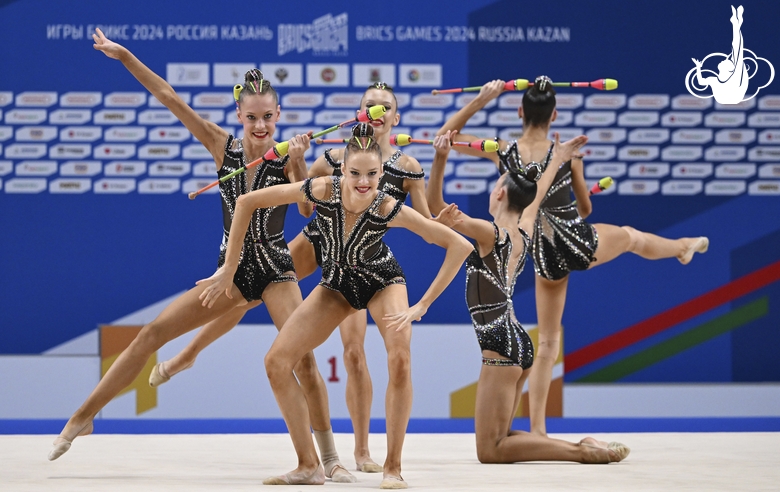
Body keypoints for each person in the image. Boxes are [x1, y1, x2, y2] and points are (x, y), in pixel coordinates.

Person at [49, 29, 356, 484]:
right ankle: (83, 416)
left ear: (277, 115)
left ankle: (326, 459)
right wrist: (125, 56)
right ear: (238, 114)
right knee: (151, 332)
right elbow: (168, 96)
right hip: (228, 274)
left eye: (267, 117)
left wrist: (296, 162)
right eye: (251, 117)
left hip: (273, 269)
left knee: (304, 360)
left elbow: (306, 209)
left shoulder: (286, 155)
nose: (259, 126)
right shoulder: (222, 147)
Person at [154, 82, 430, 474]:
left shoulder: (407, 167)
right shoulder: (336, 157)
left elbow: (429, 221)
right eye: (371, 105)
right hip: (322, 241)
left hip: (358, 260)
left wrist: (445, 187)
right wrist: (298, 159)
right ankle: (188, 354)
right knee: (250, 292)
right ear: (360, 111)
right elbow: (303, 203)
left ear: (395, 118)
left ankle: (362, 451)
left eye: (385, 107)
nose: (378, 111)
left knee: (353, 352)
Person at [198, 123, 473, 488]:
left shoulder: (389, 207)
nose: (363, 182)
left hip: (382, 282)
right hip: (338, 284)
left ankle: (393, 467)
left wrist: (422, 304)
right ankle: (309, 464)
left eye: (372, 174)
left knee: (400, 359)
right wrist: (230, 266)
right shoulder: (322, 190)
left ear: (381, 173)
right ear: (342, 170)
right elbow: (247, 202)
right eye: (355, 173)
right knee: (277, 363)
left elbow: (459, 246)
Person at [437, 76, 709, 436]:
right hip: (573, 237)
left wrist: (481, 100)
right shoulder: (564, 154)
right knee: (630, 237)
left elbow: (446, 139)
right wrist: (574, 173)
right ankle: (681, 247)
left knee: (548, 340)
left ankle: (537, 428)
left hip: (538, 245)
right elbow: (585, 206)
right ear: (555, 115)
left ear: (520, 112)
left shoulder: (503, 150)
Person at [426, 125, 630, 463]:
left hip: (501, 343)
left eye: (495, 186)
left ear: (501, 194)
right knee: (501, 439)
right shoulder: (525, 227)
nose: (492, 191)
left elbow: (434, 205)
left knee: (490, 451)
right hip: (516, 340)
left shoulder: (490, 233)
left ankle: (582, 453)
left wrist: (440, 158)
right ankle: (584, 446)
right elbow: (539, 191)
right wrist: (558, 159)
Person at [692, 5, 748, 104]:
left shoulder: (734, 77)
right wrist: (698, 67)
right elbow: (701, 82)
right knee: (737, 52)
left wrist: (736, 26)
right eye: (727, 60)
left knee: (737, 50)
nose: (724, 59)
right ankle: (736, 24)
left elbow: (738, 48)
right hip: (728, 98)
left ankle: (736, 24)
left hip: (733, 97)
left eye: (727, 61)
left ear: (729, 69)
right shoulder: (714, 80)